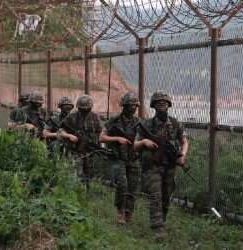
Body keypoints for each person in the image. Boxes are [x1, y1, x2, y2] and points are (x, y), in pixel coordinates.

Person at [134, 92, 188, 240]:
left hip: (170, 166)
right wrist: (144, 143)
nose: (162, 105)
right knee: (156, 196)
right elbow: (134, 144)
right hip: (152, 166)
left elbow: (184, 141)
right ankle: (157, 228)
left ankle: (161, 220)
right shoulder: (147, 125)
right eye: (159, 103)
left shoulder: (175, 124)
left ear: (169, 105)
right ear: (154, 106)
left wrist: (182, 155)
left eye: (165, 103)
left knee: (166, 196)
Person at [100, 92, 141, 224]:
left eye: (135, 105)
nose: (133, 107)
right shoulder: (114, 121)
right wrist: (117, 138)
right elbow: (101, 137)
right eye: (131, 105)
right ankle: (120, 212)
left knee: (133, 187)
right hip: (118, 158)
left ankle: (129, 213)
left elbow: (144, 139)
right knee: (122, 185)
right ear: (124, 106)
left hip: (133, 158)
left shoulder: (138, 122)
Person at [59, 95, 102, 187]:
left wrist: (99, 146)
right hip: (75, 151)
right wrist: (69, 135)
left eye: (87, 109)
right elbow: (61, 130)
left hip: (90, 150)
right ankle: (77, 192)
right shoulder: (72, 116)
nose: (85, 111)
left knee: (89, 175)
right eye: (82, 109)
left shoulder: (95, 117)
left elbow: (100, 132)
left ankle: (87, 195)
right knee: (77, 174)